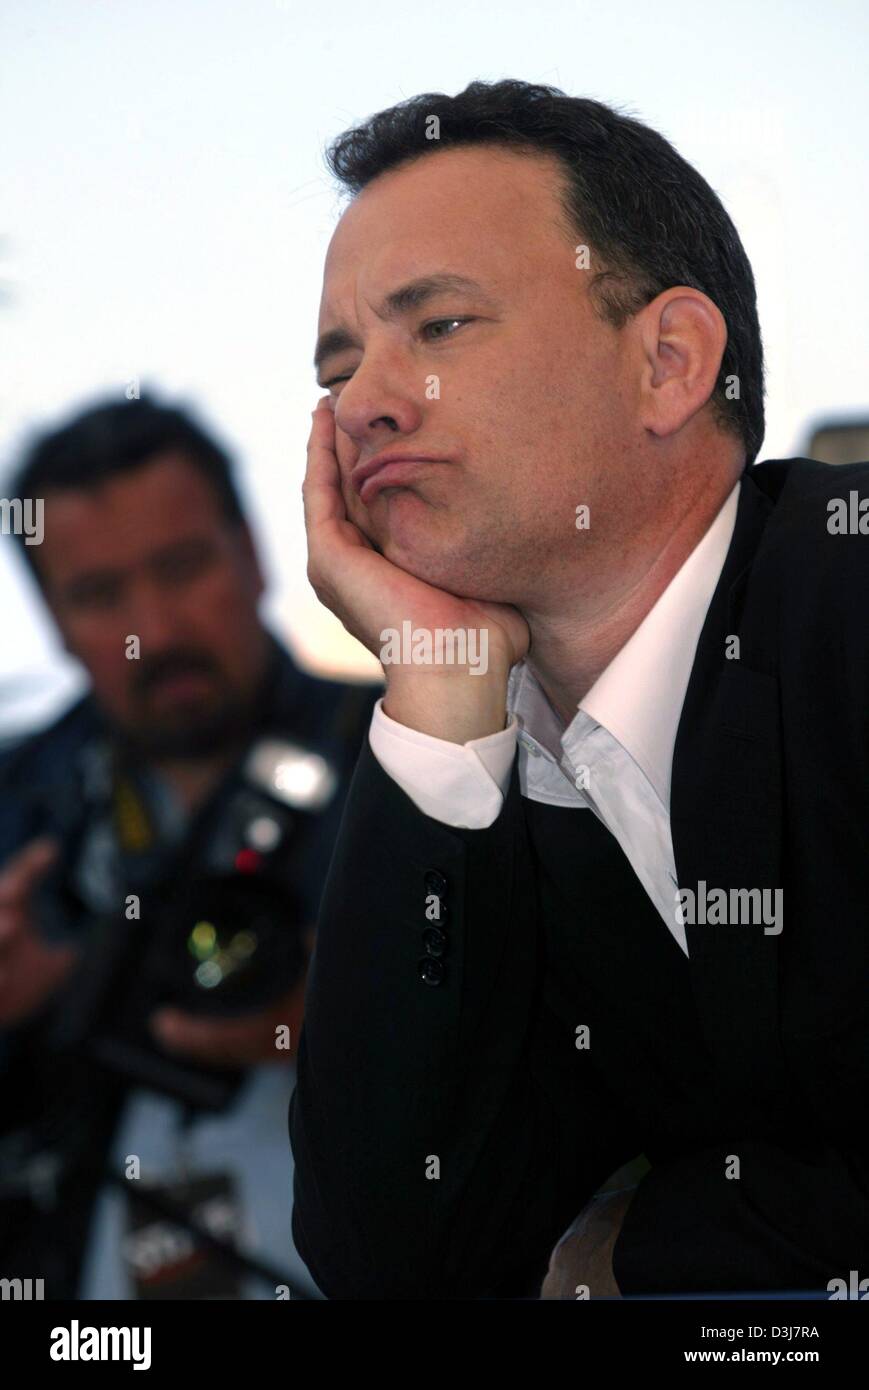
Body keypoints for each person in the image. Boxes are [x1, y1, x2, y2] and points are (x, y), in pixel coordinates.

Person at [289, 79, 869, 1299]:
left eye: (436, 326)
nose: (363, 401)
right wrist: (440, 698)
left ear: (666, 363)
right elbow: (396, 1256)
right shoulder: (493, 766)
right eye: (339, 361)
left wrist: (645, 1254)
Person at [0, 394, 377, 1298]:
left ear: (252, 552)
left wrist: (376, 1015)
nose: (155, 632)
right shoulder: (14, 810)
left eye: (181, 567)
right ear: (48, 617)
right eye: (98, 595)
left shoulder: (424, 761)